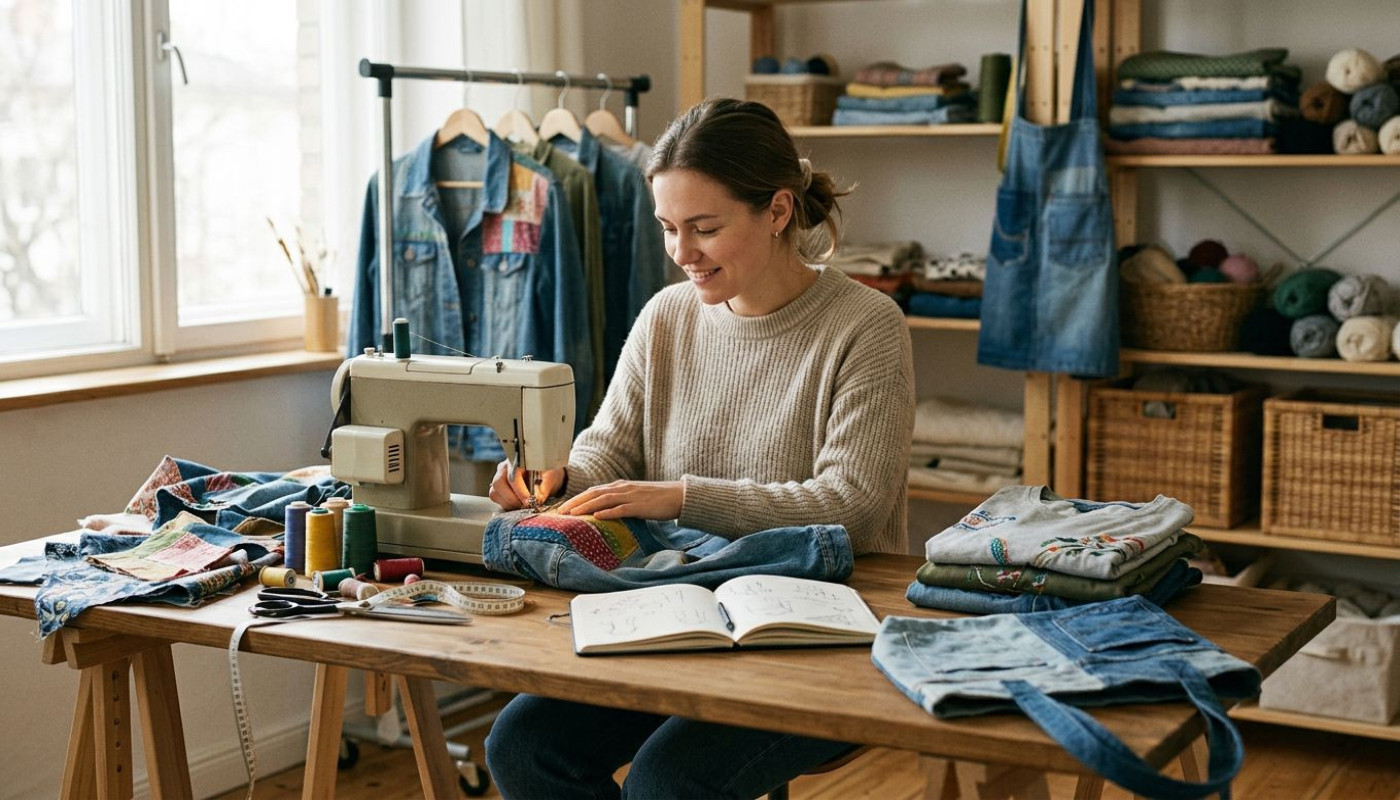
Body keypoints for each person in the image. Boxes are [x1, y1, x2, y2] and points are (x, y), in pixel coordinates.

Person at [483, 97, 914, 800]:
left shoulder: (866, 326)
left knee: (667, 784)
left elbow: (855, 508)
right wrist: (559, 478)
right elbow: (609, 451)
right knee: (524, 748)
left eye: (704, 229)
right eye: (668, 228)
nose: (682, 253)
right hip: (678, 610)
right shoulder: (667, 316)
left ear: (777, 211)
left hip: (814, 631)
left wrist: (682, 496)